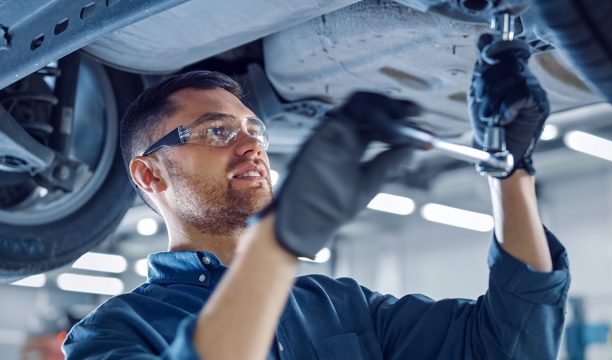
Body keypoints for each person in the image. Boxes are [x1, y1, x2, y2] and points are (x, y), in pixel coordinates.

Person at [63, 37, 570, 359]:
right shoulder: (112, 334)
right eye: (217, 132)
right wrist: (278, 242)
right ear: (149, 175)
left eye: (255, 131)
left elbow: (510, 345)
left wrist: (510, 169)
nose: (251, 148)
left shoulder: (342, 306)